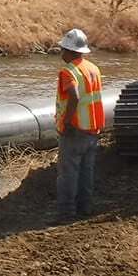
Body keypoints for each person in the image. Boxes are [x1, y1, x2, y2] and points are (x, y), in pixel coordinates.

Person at [54, 28, 104, 222]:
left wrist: (66, 122)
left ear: (69, 50)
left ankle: (66, 212)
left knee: (68, 173)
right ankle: (86, 207)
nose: (61, 53)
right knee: (86, 171)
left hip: (75, 131)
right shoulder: (92, 69)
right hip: (92, 129)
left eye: (63, 49)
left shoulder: (68, 72)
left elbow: (74, 95)